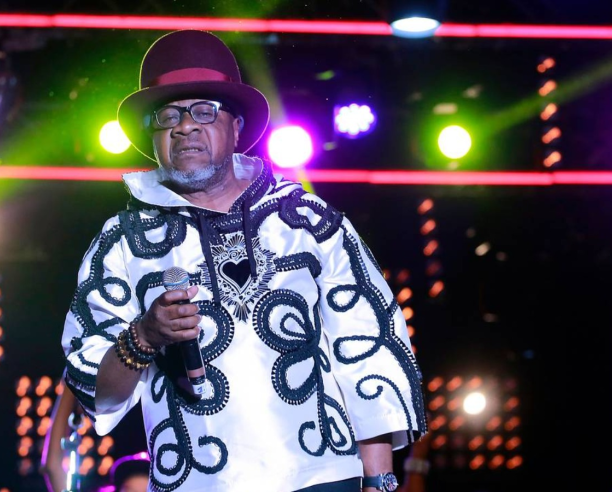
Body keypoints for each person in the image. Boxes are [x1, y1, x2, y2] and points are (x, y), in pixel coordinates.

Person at [61, 29, 427, 492]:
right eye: (167, 115)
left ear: (236, 127)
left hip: (322, 477)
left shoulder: (307, 221)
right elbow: (95, 389)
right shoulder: (123, 241)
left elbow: (366, 353)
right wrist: (144, 335)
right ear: (152, 136)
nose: (185, 126)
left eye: (203, 110)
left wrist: (379, 479)